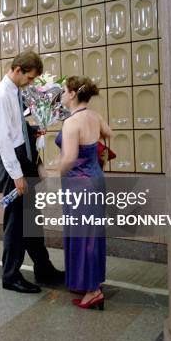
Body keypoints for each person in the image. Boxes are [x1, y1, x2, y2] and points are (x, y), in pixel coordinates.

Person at [0, 50, 64, 294]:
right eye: (29, 78)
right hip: (13, 164)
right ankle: (10, 275)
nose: (31, 83)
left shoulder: (15, 92)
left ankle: (44, 268)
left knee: (32, 220)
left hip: (24, 159)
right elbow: (3, 139)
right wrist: (17, 175)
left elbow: (17, 130)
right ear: (18, 70)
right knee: (16, 223)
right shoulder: (1, 96)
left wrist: (34, 132)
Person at [57, 76, 112, 310]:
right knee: (92, 234)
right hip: (96, 179)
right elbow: (108, 133)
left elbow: (69, 158)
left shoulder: (71, 123)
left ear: (71, 94)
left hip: (79, 184)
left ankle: (92, 291)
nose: (60, 95)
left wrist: (55, 172)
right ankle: (90, 283)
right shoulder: (94, 115)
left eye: (62, 91)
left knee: (83, 237)